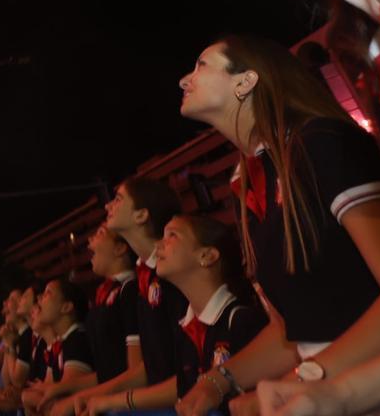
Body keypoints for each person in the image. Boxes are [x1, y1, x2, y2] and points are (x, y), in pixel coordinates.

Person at [173, 35, 380, 416]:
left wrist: (306, 380)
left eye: (201, 65)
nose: (185, 80)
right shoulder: (250, 183)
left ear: (245, 81)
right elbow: (294, 332)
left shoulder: (320, 143)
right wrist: (219, 382)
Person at [84, 214, 268, 414]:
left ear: (206, 256)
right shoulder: (185, 329)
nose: (158, 246)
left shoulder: (241, 320)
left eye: (172, 236)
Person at [60, 177, 185, 416]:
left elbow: (191, 372)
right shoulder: (145, 277)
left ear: (141, 215)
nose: (107, 206)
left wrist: (114, 401)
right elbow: (149, 366)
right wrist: (89, 396)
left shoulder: (173, 271)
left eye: (117, 199)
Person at [22, 278, 95, 414]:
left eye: (47, 293)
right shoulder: (62, 342)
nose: (39, 299)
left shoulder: (77, 339)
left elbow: (65, 393)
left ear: (66, 307)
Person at [83, 226, 140, 385]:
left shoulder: (129, 290)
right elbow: (105, 372)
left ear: (120, 248)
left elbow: (134, 369)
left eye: (100, 233)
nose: (89, 241)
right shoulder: (103, 293)